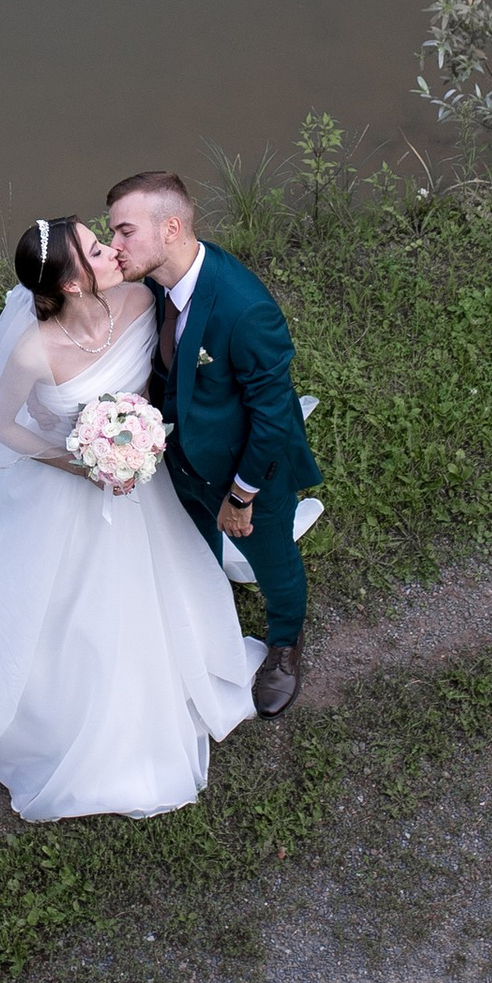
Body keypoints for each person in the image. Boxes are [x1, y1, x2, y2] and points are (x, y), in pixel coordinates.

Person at [0, 214, 264, 821]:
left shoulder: (143, 300)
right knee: (66, 605)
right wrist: (79, 462)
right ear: (71, 285)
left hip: (142, 472)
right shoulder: (34, 350)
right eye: (98, 250)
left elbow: (166, 372)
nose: (114, 251)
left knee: (162, 577)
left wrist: (144, 437)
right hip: (73, 479)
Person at [103, 170, 323, 718]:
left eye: (125, 231)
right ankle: (203, 626)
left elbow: (272, 418)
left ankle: (285, 643)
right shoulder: (159, 283)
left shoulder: (244, 308)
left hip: (244, 471)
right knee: (196, 550)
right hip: (180, 463)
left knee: (273, 561)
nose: (115, 245)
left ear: (171, 227)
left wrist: (242, 497)